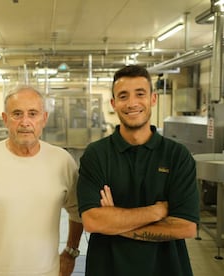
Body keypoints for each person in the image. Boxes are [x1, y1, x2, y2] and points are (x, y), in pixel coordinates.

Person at [77, 65, 199, 276]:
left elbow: (185, 227)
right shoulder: (96, 155)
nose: (132, 103)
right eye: (123, 96)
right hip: (108, 268)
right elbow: (93, 221)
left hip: (167, 269)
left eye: (140, 94)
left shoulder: (177, 156)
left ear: (153, 99)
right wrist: (157, 211)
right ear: (114, 103)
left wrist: (115, 222)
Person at [0, 85, 84, 276]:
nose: (25, 122)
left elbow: (77, 212)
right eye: (17, 114)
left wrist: (70, 252)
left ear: (44, 118)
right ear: (5, 119)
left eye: (33, 114)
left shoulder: (62, 161)